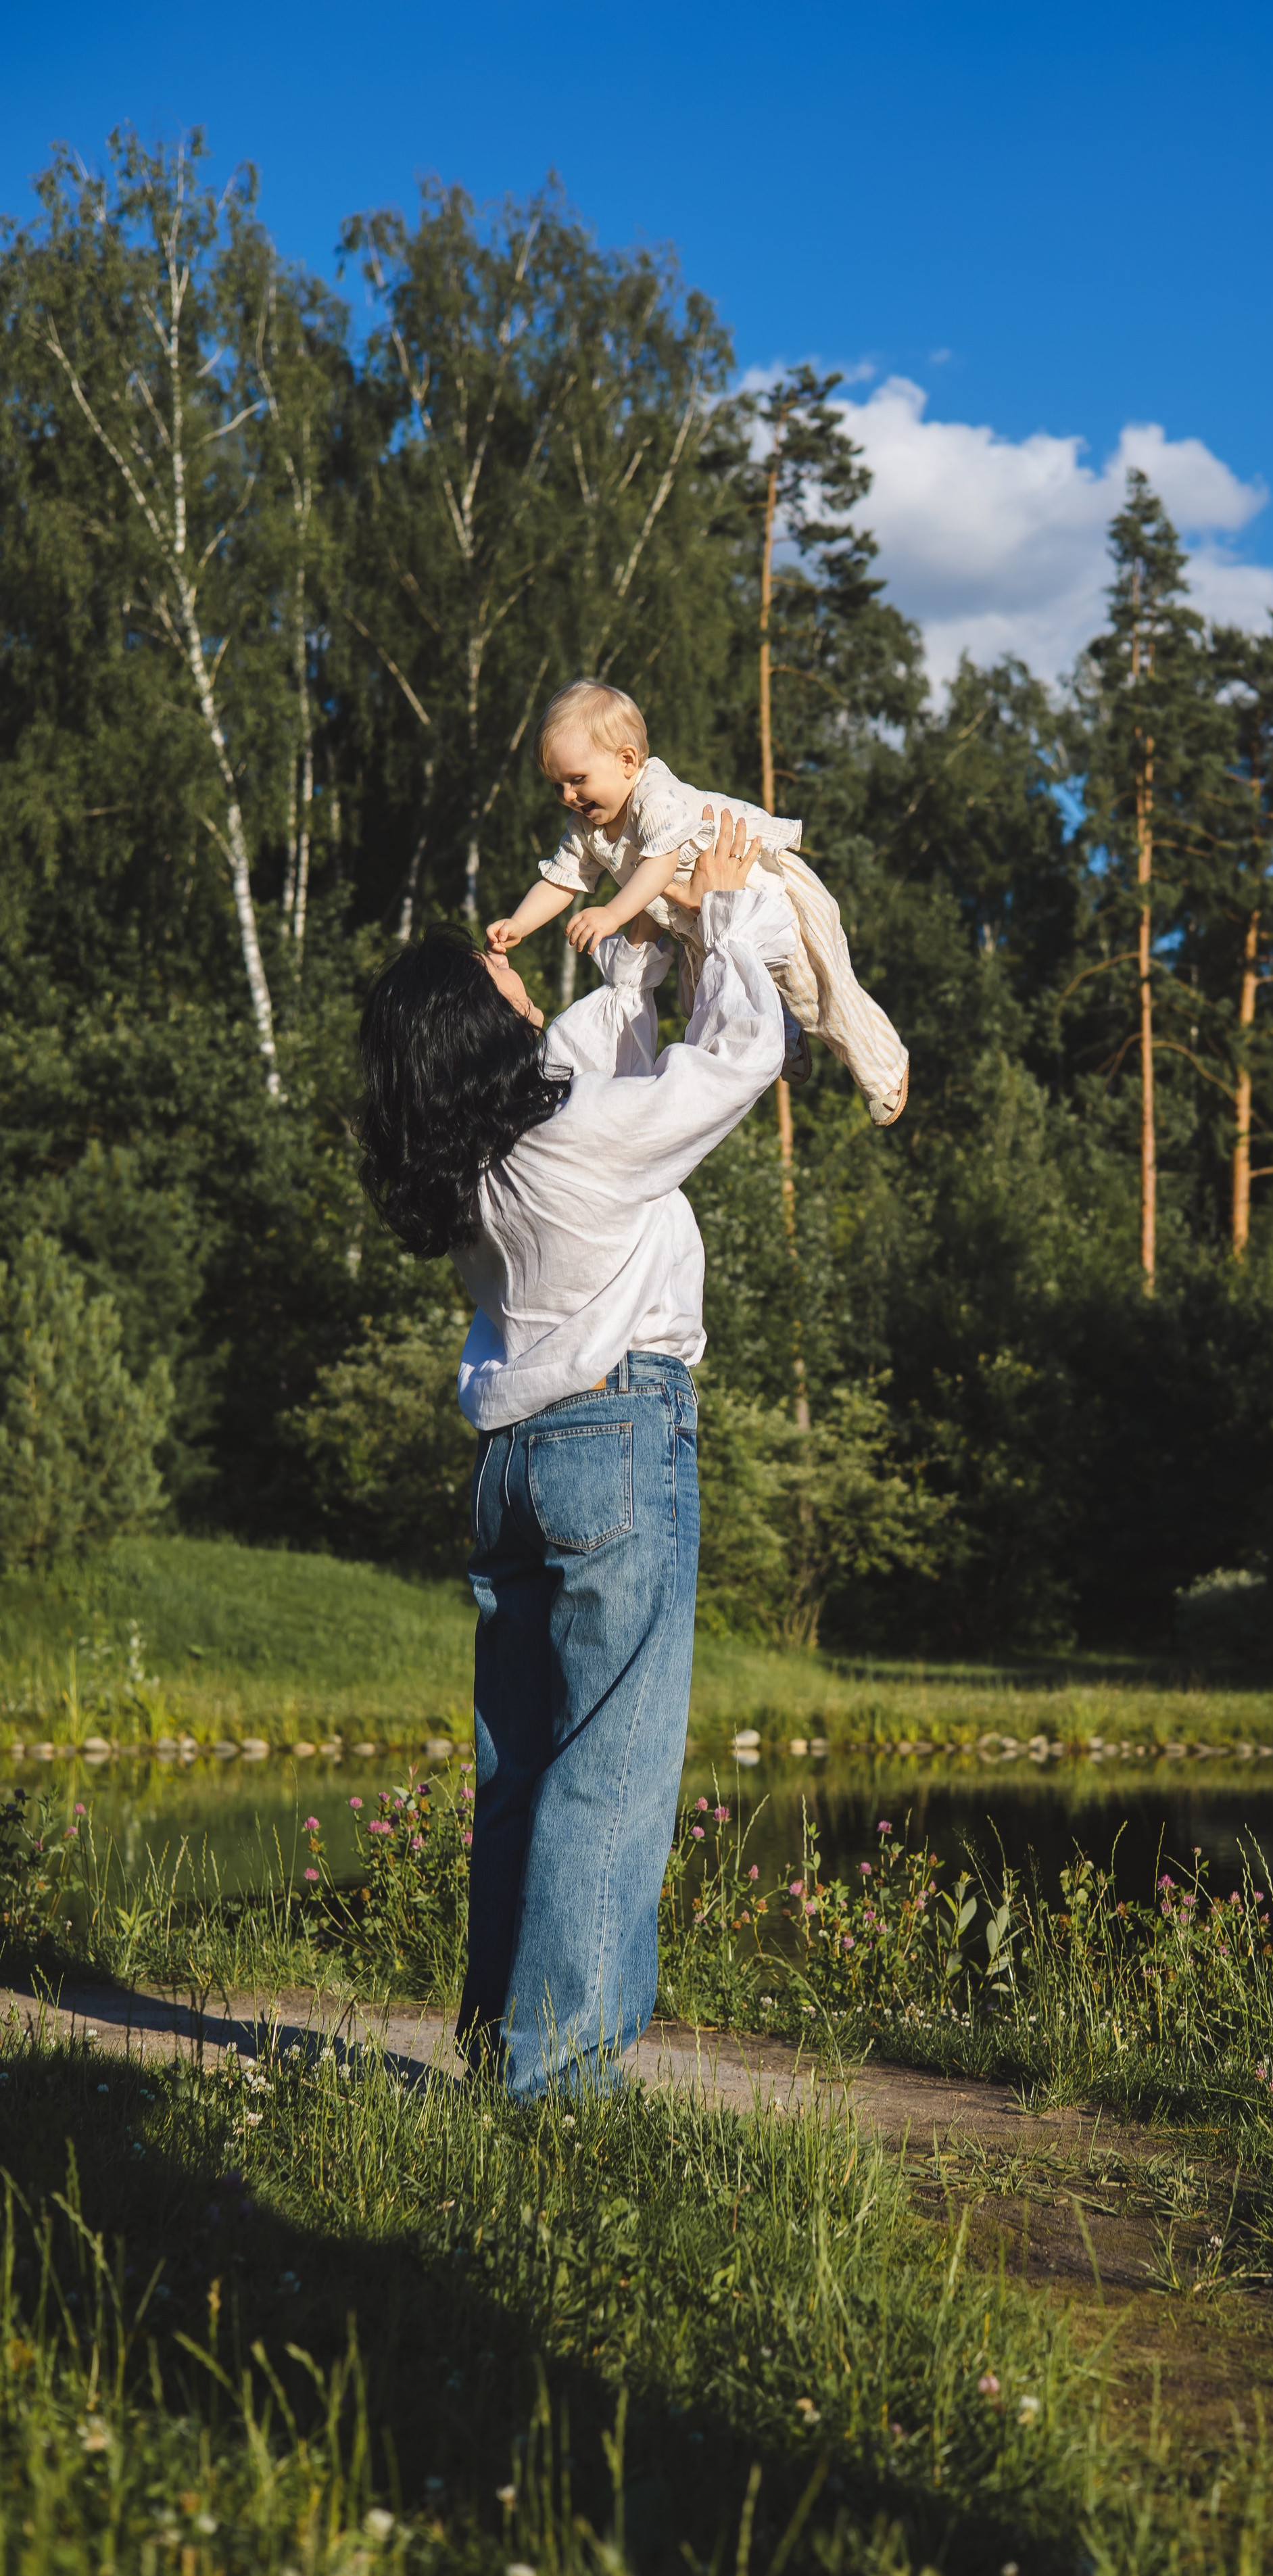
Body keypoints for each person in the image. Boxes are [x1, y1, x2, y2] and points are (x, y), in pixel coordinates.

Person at [356, 810, 790, 2099]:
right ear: (477, 1025)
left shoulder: (477, 1165)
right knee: (608, 1769)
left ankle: (504, 2051)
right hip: (616, 1438)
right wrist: (720, 919)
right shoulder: (576, 1141)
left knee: (525, 1772)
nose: (509, 962)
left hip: (512, 1466)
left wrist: (637, 964)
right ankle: (560, 2094)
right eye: (490, 972)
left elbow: (589, 1056)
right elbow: (739, 1060)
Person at [485, 677, 910, 1127]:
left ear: (627, 761)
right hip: (704, 924)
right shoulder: (586, 827)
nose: (568, 796)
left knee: (818, 991)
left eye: (577, 780)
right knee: (704, 1005)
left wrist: (612, 913)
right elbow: (561, 879)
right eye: (557, 786)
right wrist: (520, 924)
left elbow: (659, 865)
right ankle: (780, 1027)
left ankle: (883, 1069)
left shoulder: (655, 797)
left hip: (762, 897)